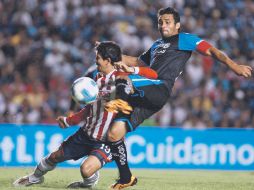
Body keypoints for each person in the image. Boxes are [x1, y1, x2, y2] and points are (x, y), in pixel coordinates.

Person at [105, 7, 253, 190]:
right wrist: (109, 55)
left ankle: (115, 102)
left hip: (158, 87)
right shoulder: (157, 44)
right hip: (146, 94)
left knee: (121, 77)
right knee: (114, 134)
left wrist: (234, 66)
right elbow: (137, 62)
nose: (163, 25)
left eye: (167, 22)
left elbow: (213, 51)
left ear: (177, 25)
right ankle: (126, 178)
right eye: (160, 22)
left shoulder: (185, 39)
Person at [12, 41, 158, 188]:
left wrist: (134, 70)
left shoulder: (124, 77)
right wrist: (69, 121)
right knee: (55, 156)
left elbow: (154, 75)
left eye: (98, 58)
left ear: (108, 61)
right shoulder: (96, 80)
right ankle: (35, 177)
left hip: (107, 141)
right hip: (86, 134)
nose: (96, 61)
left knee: (86, 169)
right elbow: (90, 109)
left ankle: (88, 183)